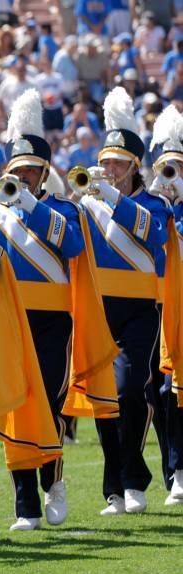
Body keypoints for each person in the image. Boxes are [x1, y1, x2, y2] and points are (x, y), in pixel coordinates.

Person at [0, 90, 86, 531]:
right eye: (16, 171)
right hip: (10, 320)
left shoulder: (64, 210)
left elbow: (74, 245)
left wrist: (28, 204)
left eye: (30, 171)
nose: (22, 178)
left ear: (45, 174)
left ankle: (53, 482)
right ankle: (25, 502)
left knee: (49, 400)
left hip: (52, 321)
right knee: (14, 403)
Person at [82, 87, 168, 515]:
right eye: (105, 163)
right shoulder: (88, 205)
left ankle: (134, 480)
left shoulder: (155, 204)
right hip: (100, 310)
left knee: (130, 390)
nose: (109, 170)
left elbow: (152, 234)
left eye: (117, 163)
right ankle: (115, 487)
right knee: (104, 397)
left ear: (135, 166)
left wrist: (111, 198)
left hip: (140, 310)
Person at [147, 104, 183, 508]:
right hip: (157, 306)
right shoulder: (155, 209)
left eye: (176, 169)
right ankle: (174, 470)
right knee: (162, 393)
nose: (170, 178)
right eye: (165, 169)